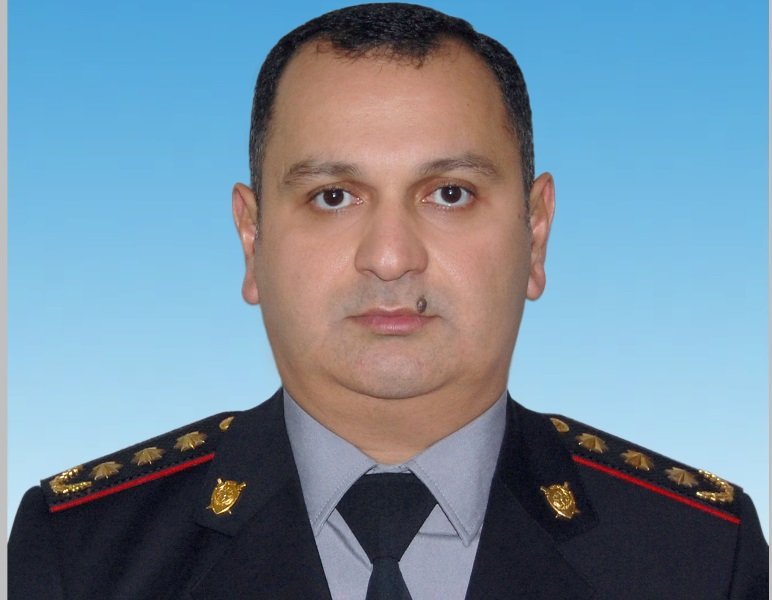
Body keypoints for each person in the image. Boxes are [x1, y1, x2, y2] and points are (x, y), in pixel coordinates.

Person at [8, 3, 767, 599]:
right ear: (252, 238)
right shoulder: (83, 554)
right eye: (333, 196)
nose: (391, 257)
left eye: (450, 193)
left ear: (535, 235)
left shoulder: (700, 555)